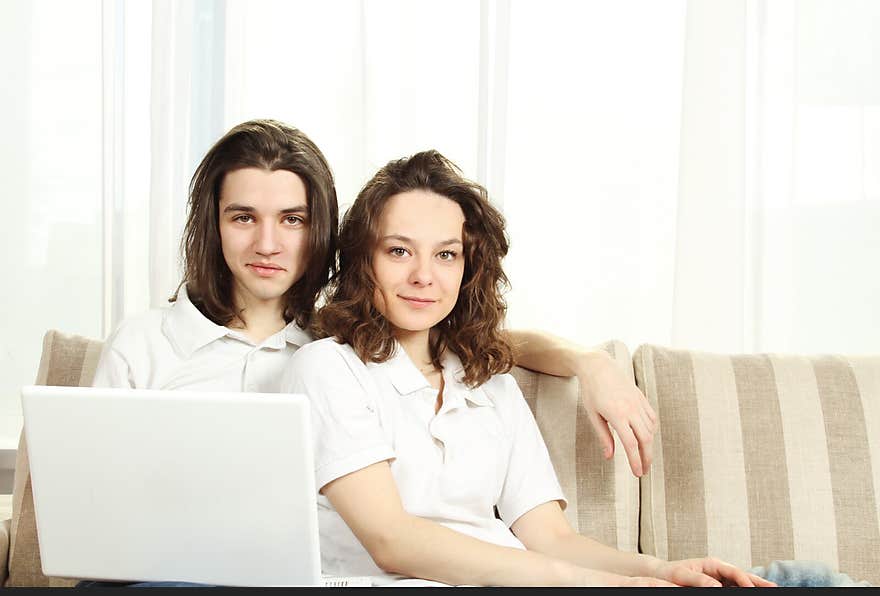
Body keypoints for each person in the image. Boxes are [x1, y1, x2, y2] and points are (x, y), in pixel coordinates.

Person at [280, 150, 779, 587]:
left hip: (519, 589)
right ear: (363, 259)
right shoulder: (326, 367)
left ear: (468, 269)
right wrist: (591, 585)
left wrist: (660, 571)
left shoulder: (489, 383)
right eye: (398, 251)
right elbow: (392, 541)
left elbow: (551, 538)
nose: (423, 276)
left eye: (446, 255)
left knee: (800, 582)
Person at [92, 118, 656, 474]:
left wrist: (591, 363)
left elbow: (481, 338)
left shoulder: (337, 341)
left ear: (320, 231)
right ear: (212, 225)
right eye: (243, 217)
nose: (267, 243)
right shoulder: (142, 344)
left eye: (291, 219)